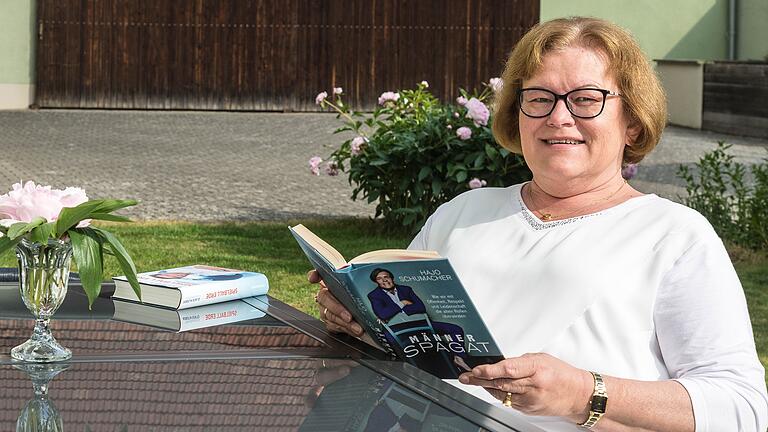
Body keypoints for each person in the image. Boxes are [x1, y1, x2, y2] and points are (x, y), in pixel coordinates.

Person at [311, 16, 768, 431]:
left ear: (632, 121)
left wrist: (585, 394)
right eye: (539, 98)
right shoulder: (463, 212)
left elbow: (742, 408)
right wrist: (357, 320)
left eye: (587, 99)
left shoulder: (674, 235)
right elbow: (410, 347)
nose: (558, 116)